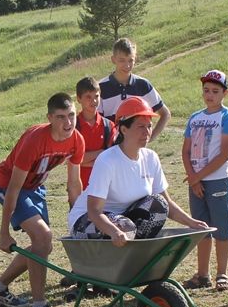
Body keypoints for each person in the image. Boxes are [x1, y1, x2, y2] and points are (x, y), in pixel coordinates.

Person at [0, 92, 85, 307]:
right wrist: (3, 234)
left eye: (71, 115)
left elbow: (74, 183)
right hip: (9, 184)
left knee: (43, 246)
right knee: (42, 238)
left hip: (35, 188)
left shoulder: (76, 140)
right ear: (49, 118)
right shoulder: (35, 140)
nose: (68, 122)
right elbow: (13, 187)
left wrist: (80, 218)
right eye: (61, 117)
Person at [68, 96, 207, 244]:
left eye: (149, 126)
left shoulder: (151, 158)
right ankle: (123, 258)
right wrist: (115, 232)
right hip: (88, 221)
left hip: (125, 221)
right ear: (123, 129)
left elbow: (166, 203)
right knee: (125, 227)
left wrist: (192, 222)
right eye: (141, 126)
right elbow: (94, 211)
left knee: (158, 204)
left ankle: (134, 257)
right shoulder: (107, 160)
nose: (147, 132)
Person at [181, 70, 228, 292]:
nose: (210, 95)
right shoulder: (195, 118)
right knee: (201, 228)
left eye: (215, 91)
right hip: (196, 182)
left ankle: (222, 273)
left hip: (217, 180)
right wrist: (193, 179)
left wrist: (198, 176)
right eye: (206, 90)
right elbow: (185, 151)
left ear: (225, 93)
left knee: (221, 228)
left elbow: (224, 155)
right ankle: (202, 274)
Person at [97, 37, 171, 142]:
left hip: (136, 149)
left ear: (135, 59)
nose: (127, 65)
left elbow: (165, 114)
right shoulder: (101, 87)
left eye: (131, 60)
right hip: (111, 149)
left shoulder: (143, 85)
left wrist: (149, 138)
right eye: (122, 60)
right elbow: (97, 122)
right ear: (113, 59)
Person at [75, 76, 117, 190]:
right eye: (88, 97)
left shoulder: (108, 126)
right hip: (80, 189)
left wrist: (84, 161)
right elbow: (73, 160)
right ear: (79, 99)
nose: (94, 101)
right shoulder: (73, 127)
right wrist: (101, 152)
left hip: (105, 187)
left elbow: (113, 157)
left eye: (96, 96)